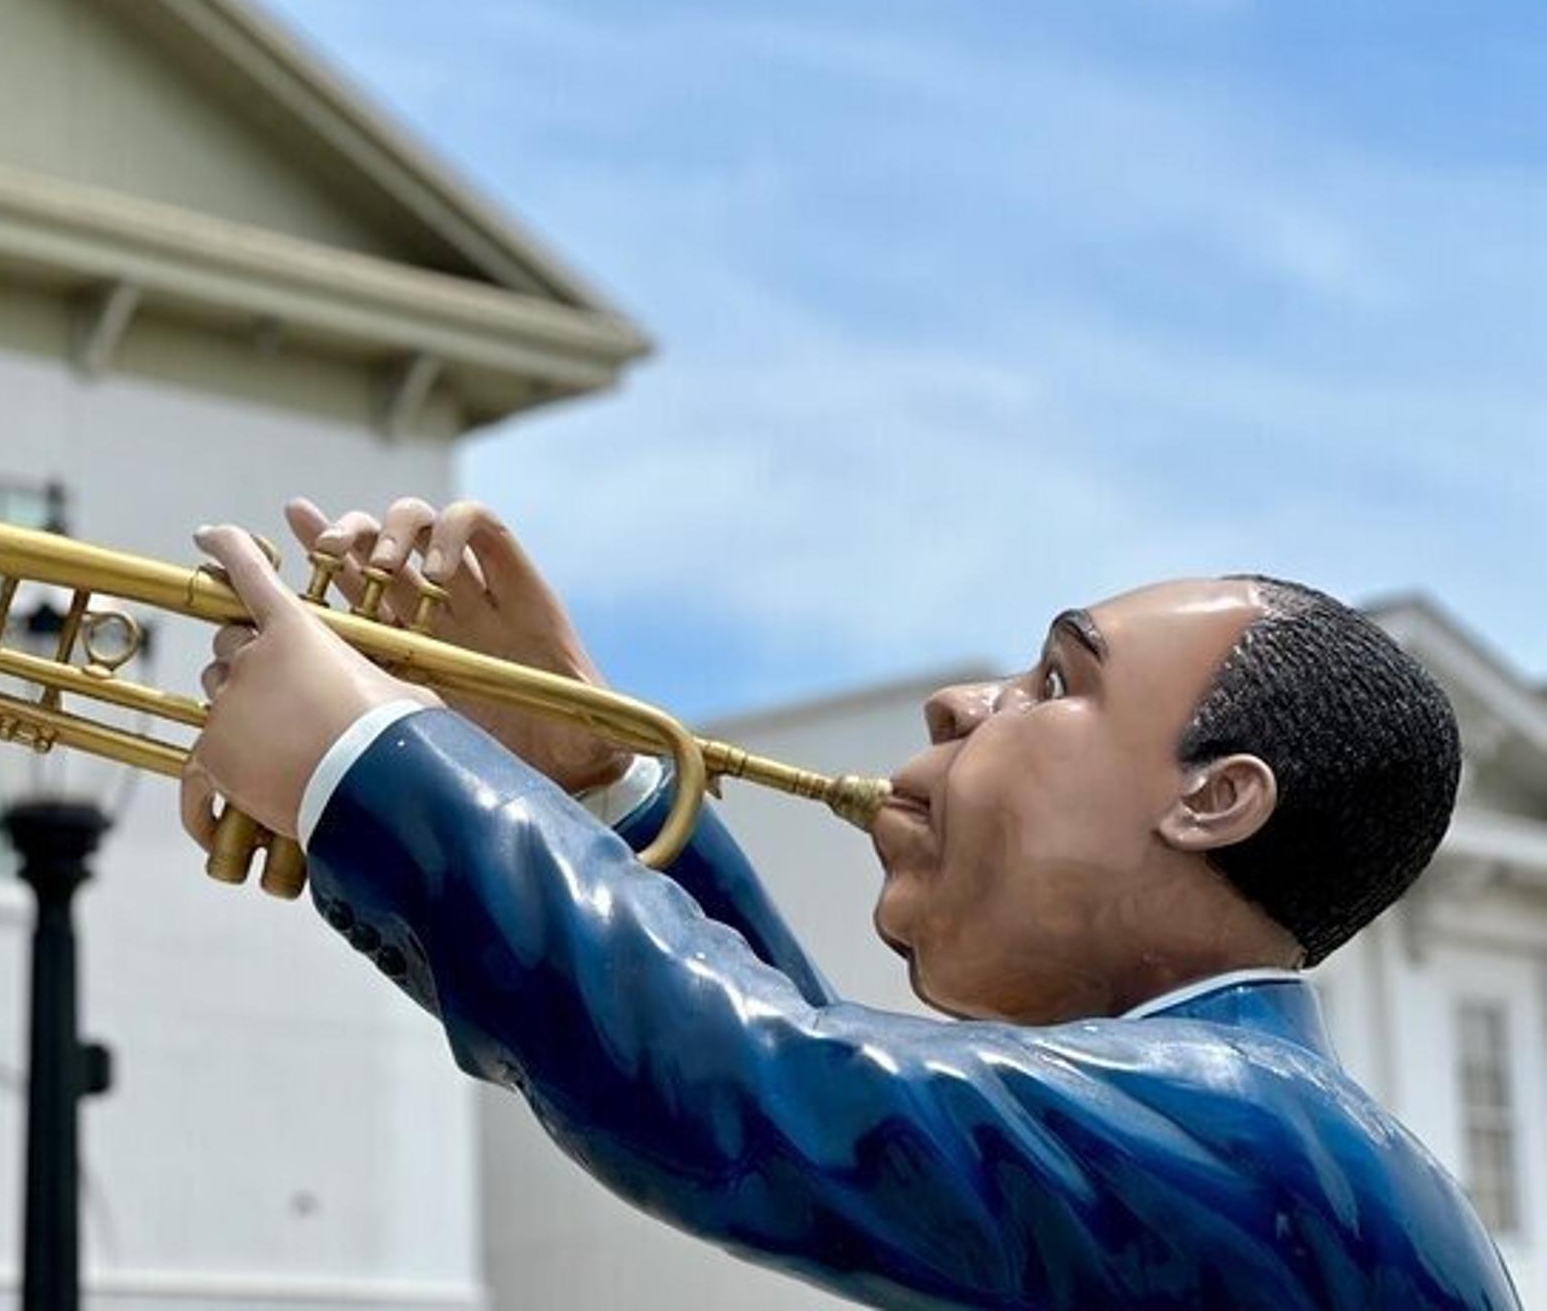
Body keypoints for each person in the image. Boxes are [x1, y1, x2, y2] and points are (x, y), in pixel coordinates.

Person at [177, 498, 1519, 1310]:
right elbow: (824, 1090)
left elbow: (768, 1085)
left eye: (1056, 683)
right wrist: (584, 775)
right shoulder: (1244, 1120)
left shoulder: (1252, 1125)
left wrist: (373, 757)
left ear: (1216, 799)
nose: (958, 706)